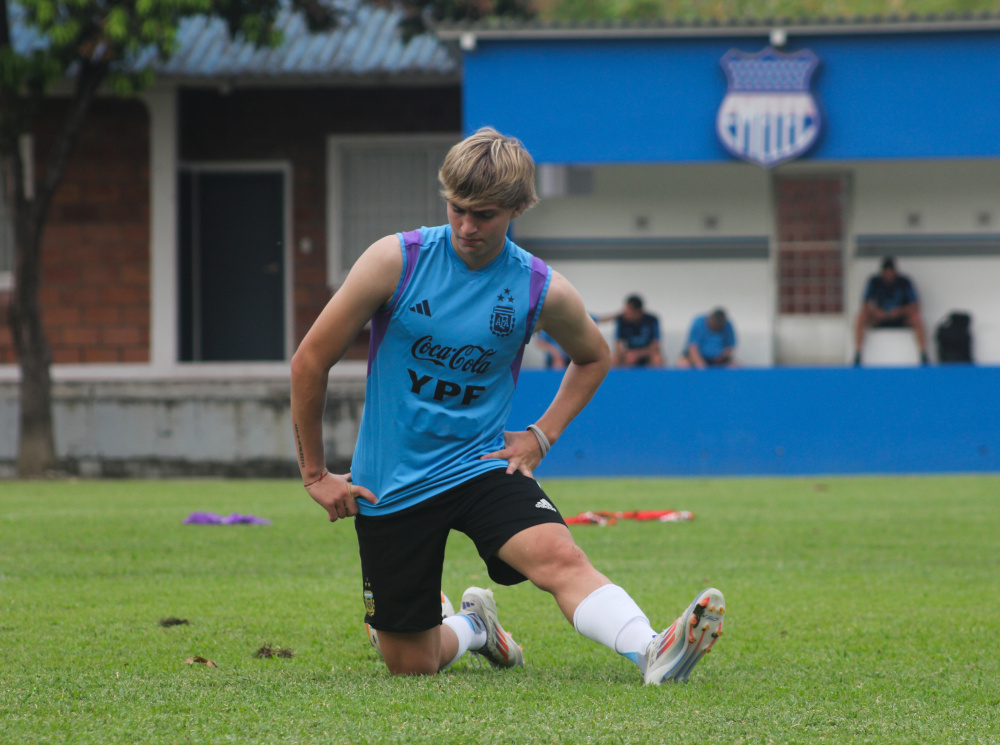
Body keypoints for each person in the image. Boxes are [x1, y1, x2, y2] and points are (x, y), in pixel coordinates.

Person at [290, 127, 724, 685]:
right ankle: (475, 627)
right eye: (458, 209)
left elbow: (593, 356)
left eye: (486, 215)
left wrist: (542, 435)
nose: (468, 226)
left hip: (480, 467)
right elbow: (309, 362)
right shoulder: (394, 261)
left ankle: (652, 651)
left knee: (560, 558)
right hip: (390, 483)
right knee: (410, 664)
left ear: (519, 208)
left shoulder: (540, 288)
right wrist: (314, 474)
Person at [853, 256, 929, 366]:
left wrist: (900, 311)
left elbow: (915, 305)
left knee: (916, 317)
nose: (888, 275)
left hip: (899, 317)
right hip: (880, 318)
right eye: (886, 272)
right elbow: (865, 304)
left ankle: (923, 353)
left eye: (891, 272)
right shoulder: (874, 281)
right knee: (861, 317)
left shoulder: (904, 282)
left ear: (895, 272)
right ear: (882, 272)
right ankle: (858, 353)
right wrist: (876, 312)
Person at [612, 295, 664, 367]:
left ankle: (656, 378)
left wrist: (637, 354)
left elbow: (656, 346)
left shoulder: (652, 320)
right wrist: (625, 353)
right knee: (614, 359)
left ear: (638, 311)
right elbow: (618, 345)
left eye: (629, 310)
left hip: (646, 354)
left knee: (657, 359)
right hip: (627, 354)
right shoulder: (621, 320)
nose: (626, 313)